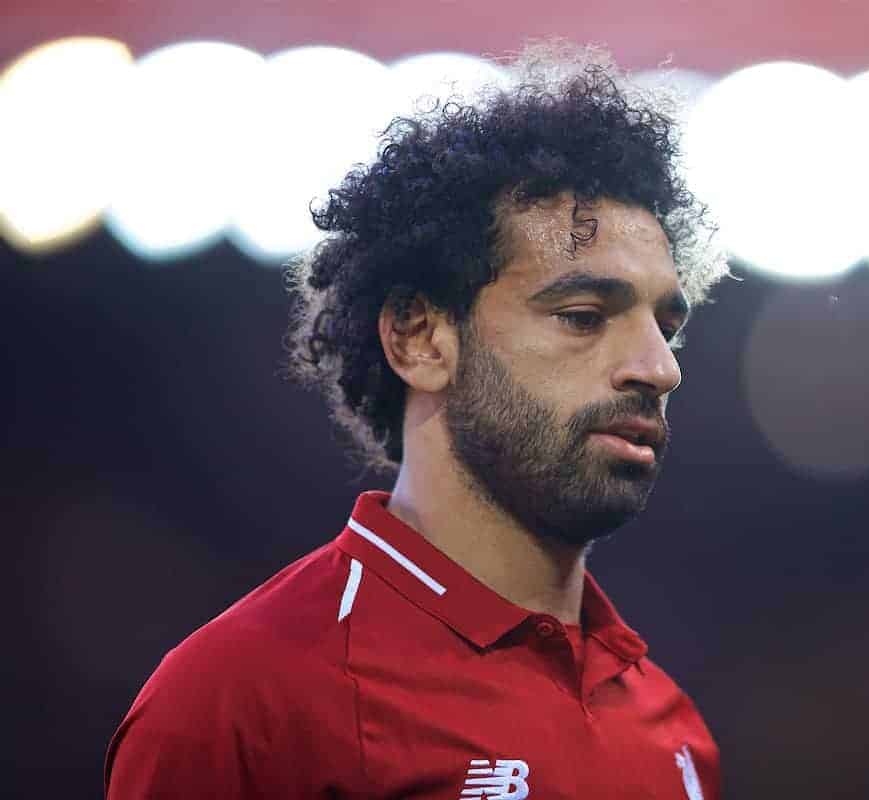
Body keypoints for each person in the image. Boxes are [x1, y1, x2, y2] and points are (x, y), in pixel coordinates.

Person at [104, 41, 728, 799]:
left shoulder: (674, 731)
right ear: (419, 337)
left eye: (667, 324)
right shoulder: (244, 702)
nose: (660, 368)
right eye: (583, 315)